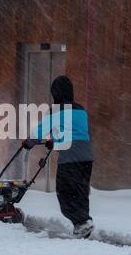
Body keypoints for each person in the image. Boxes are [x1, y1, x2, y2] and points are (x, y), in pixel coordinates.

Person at [22, 76, 94, 239]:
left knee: (64, 193)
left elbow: (41, 130)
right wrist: (54, 142)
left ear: (55, 93)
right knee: (80, 192)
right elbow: (73, 131)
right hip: (86, 158)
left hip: (70, 158)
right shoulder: (80, 109)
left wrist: (29, 142)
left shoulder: (57, 110)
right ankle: (82, 224)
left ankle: (82, 222)